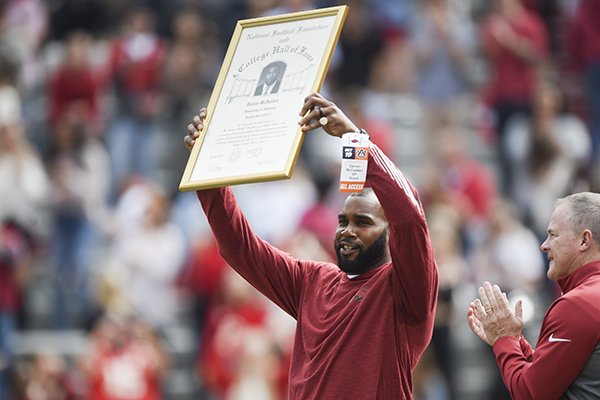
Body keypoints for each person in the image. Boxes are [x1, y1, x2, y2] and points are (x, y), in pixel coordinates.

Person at [183, 92, 439, 399]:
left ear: (391, 234)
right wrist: (208, 170)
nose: (347, 231)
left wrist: (355, 140)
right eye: (343, 221)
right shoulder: (313, 282)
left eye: (363, 222)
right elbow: (239, 247)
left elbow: (411, 218)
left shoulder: (405, 290)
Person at [467, 192, 600, 399]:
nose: (544, 245)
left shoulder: (578, 305)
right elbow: (554, 375)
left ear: (584, 240)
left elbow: (529, 393)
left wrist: (504, 338)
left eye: (553, 235)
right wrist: (515, 340)